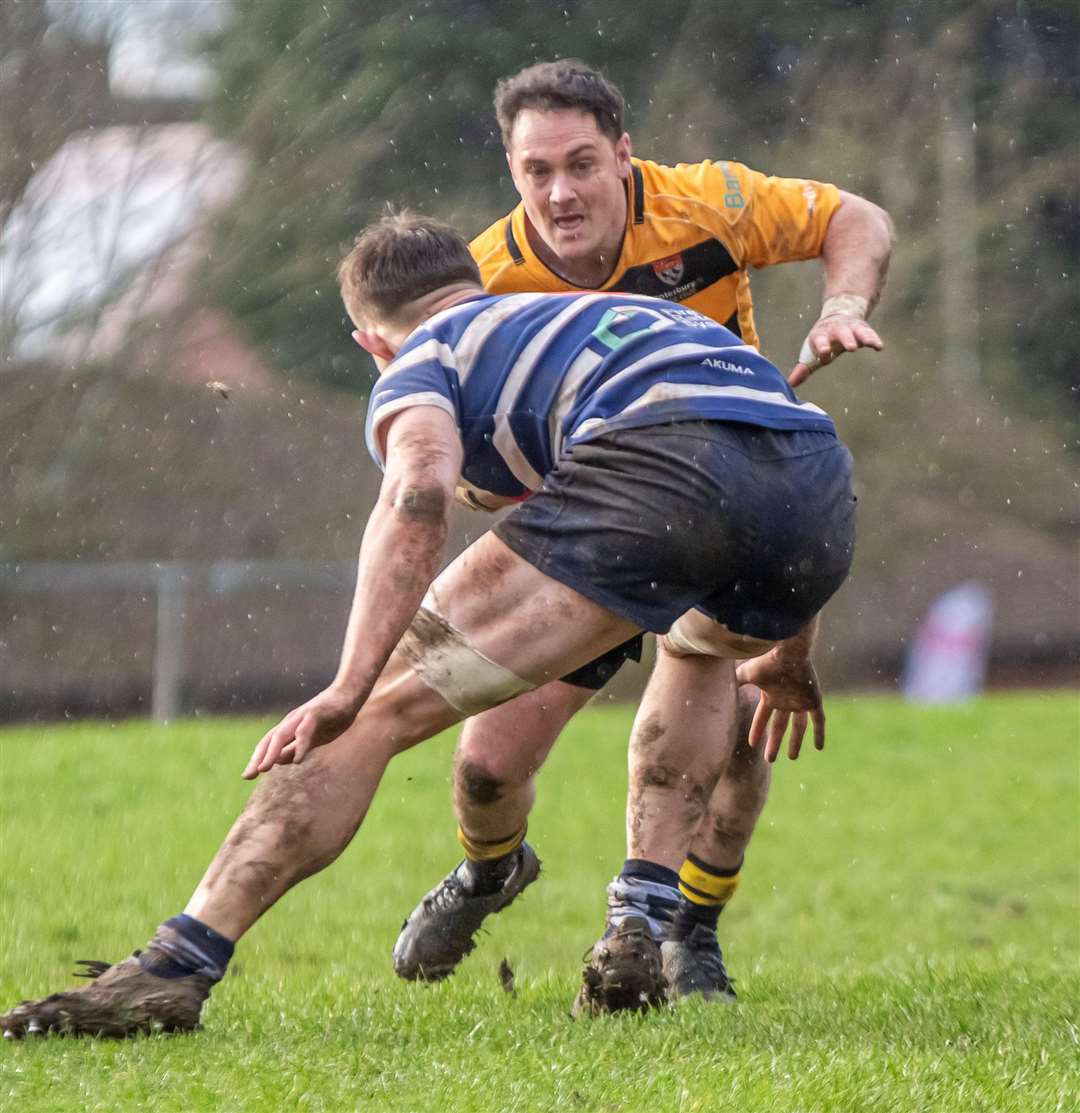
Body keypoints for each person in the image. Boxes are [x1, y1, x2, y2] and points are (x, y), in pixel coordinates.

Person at [0, 211, 856, 1038]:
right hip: (818, 493)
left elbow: (416, 496)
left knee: (367, 721)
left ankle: (176, 965)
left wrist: (349, 684)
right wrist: (790, 653)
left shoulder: (425, 356)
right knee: (700, 648)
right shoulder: (608, 312)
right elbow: (760, 445)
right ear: (474, 284)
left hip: (661, 466)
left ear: (372, 341)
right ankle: (639, 920)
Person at [393, 59, 893, 1003]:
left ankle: (684, 930)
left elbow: (854, 218)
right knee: (487, 766)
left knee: (738, 734)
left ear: (625, 155)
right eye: (536, 170)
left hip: (736, 494)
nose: (560, 192)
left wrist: (841, 309)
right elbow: (446, 443)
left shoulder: (703, 204)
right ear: (510, 171)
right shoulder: (487, 278)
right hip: (593, 523)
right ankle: (489, 870)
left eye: (582, 164)